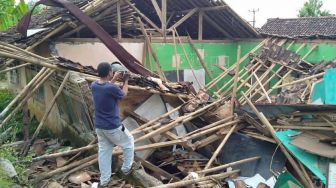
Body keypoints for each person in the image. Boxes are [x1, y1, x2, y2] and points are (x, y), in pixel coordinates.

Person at [91, 62, 134, 187]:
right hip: (112, 126)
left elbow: (106, 87)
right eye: (112, 72)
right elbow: (123, 94)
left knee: (104, 152)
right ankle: (126, 169)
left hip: (99, 126)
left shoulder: (94, 85)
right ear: (110, 72)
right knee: (128, 142)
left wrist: (114, 79)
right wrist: (126, 81)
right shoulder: (111, 88)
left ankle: (104, 181)